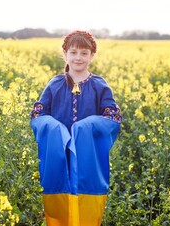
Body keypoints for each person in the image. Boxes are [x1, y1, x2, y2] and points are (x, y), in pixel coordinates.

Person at [30, 30, 122, 226]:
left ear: (92, 56)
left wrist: (86, 126)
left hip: (88, 157)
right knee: (58, 205)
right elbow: (38, 114)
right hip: (59, 155)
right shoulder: (54, 84)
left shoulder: (100, 85)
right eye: (73, 52)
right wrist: (56, 129)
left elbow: (113, 116)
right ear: (65, 54)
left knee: (87, 205)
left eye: (84, 53)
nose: (78, 58)